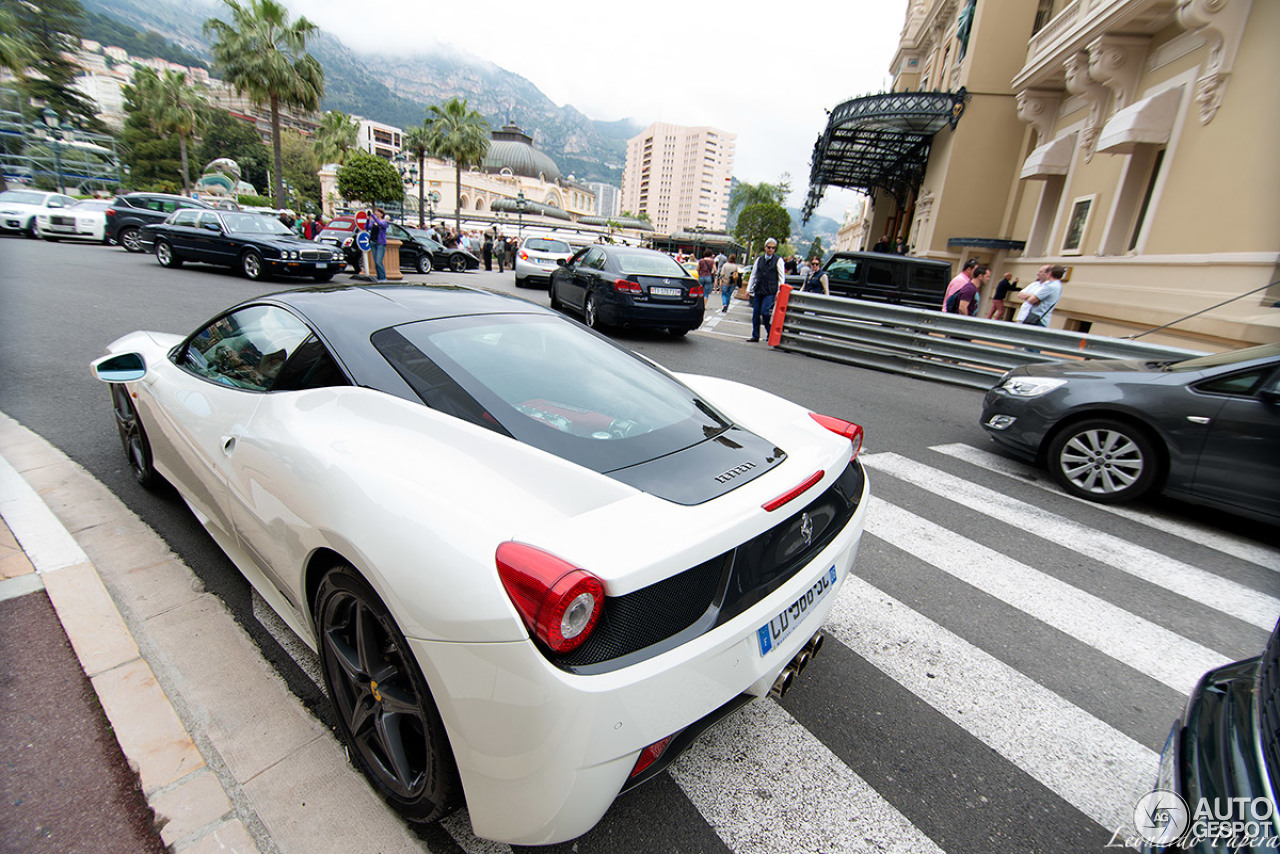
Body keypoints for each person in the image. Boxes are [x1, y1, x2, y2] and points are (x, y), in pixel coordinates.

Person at [746, 238, 784, 342]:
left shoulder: (778, 260)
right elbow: (753, 275)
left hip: (770, 290)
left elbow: (781, 277)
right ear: (765, 247)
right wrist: (748, 289)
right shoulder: (759, 259)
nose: (771, 249)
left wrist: (779, 291)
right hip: (759, 289)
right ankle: (755, 335)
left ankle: (770, 331)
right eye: (769, 247)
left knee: (765, 312)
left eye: (773, 248)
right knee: (756, 313)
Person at [366, 207, 389, 281]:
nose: (376, 213)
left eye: (377, 212)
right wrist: (368, 219)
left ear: (381, 214)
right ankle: (379, 277)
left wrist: (373, 216)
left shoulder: (384, 222)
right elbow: (367, 227)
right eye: (375, 211)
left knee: (379, 261)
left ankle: (383, 278)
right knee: (376, 262)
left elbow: (381, 224)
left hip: (380, 243)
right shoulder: (373, 222)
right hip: (373, 242)